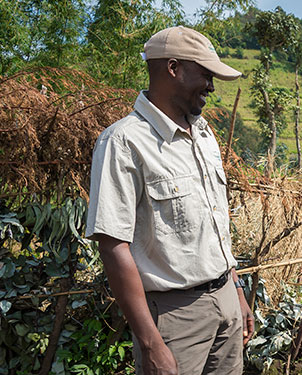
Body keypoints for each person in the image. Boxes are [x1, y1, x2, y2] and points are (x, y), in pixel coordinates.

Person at [85, 26, 251, 374]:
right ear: (173, 68)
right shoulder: (123, 142)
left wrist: (235, 290)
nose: (211, 85)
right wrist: (150, 342)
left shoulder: (203, 135)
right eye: (205, 74)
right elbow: (113, 245)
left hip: (226, 302)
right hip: (175, 318)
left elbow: (214, 225)